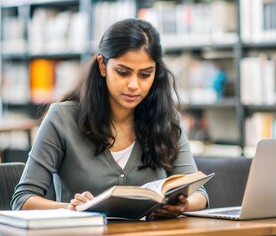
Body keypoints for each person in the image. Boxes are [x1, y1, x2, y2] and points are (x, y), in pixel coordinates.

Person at [11, 18, 208, 220]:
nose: (134, 85)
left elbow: (199, 195)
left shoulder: (166, 119)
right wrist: (74, 208)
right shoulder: (62, 118)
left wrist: (181, 206)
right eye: (123, 73)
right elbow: (23, 200)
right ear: (103, 66)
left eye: (145, 75)